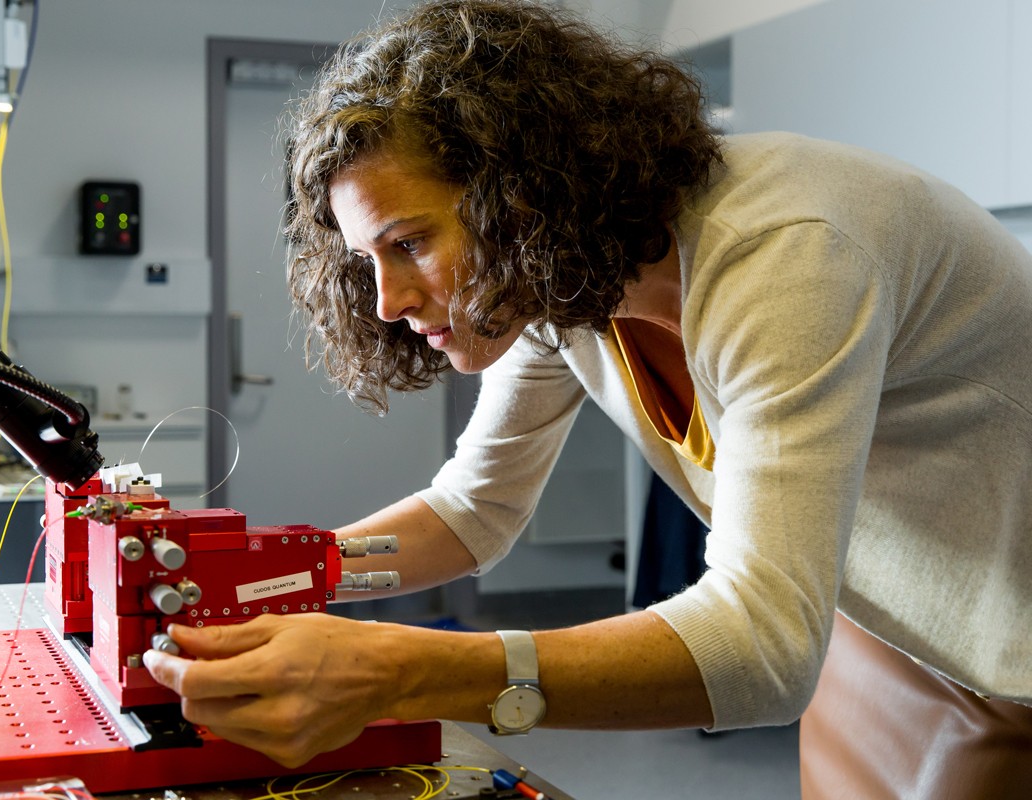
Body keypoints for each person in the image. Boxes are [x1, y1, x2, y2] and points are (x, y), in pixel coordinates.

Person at [143, 1, 1032, 794]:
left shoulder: (787, 254)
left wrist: (395, 667)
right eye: (367, 259)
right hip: (876, 615)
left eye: (409, 241)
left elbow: (762, 647)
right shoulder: (563, 286)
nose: (386, 301)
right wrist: (261, 579)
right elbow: (472, 512)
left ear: (519, 194)